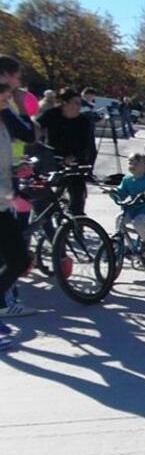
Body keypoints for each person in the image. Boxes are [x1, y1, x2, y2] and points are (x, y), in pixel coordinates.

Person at [1, 63, 39, 332]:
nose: (19, 83)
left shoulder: (4, 109)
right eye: (16, 76)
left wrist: (13, 168)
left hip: (6, 191)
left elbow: (27, 133)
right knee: (16, 257)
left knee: (17, 259)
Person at [37, 88, 97, 215]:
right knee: (43, 192)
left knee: (77, 194)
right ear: (64, 103)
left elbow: (87, 145)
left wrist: (74, 157)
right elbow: (36, 128)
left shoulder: (83, 121)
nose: (79, 106)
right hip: (53, 156)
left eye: (80, 103)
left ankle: (77, 223)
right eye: (76, 103)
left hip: (75, 159)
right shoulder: (52, 114)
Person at [112, 152, 145, 253]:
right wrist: (114, 193)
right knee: (119, 219)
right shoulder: (127, 179)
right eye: (130, 163)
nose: (132, 166)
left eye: (136, 164)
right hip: (132, 209)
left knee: (138, 222)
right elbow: (121, 193)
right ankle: (127, 245)